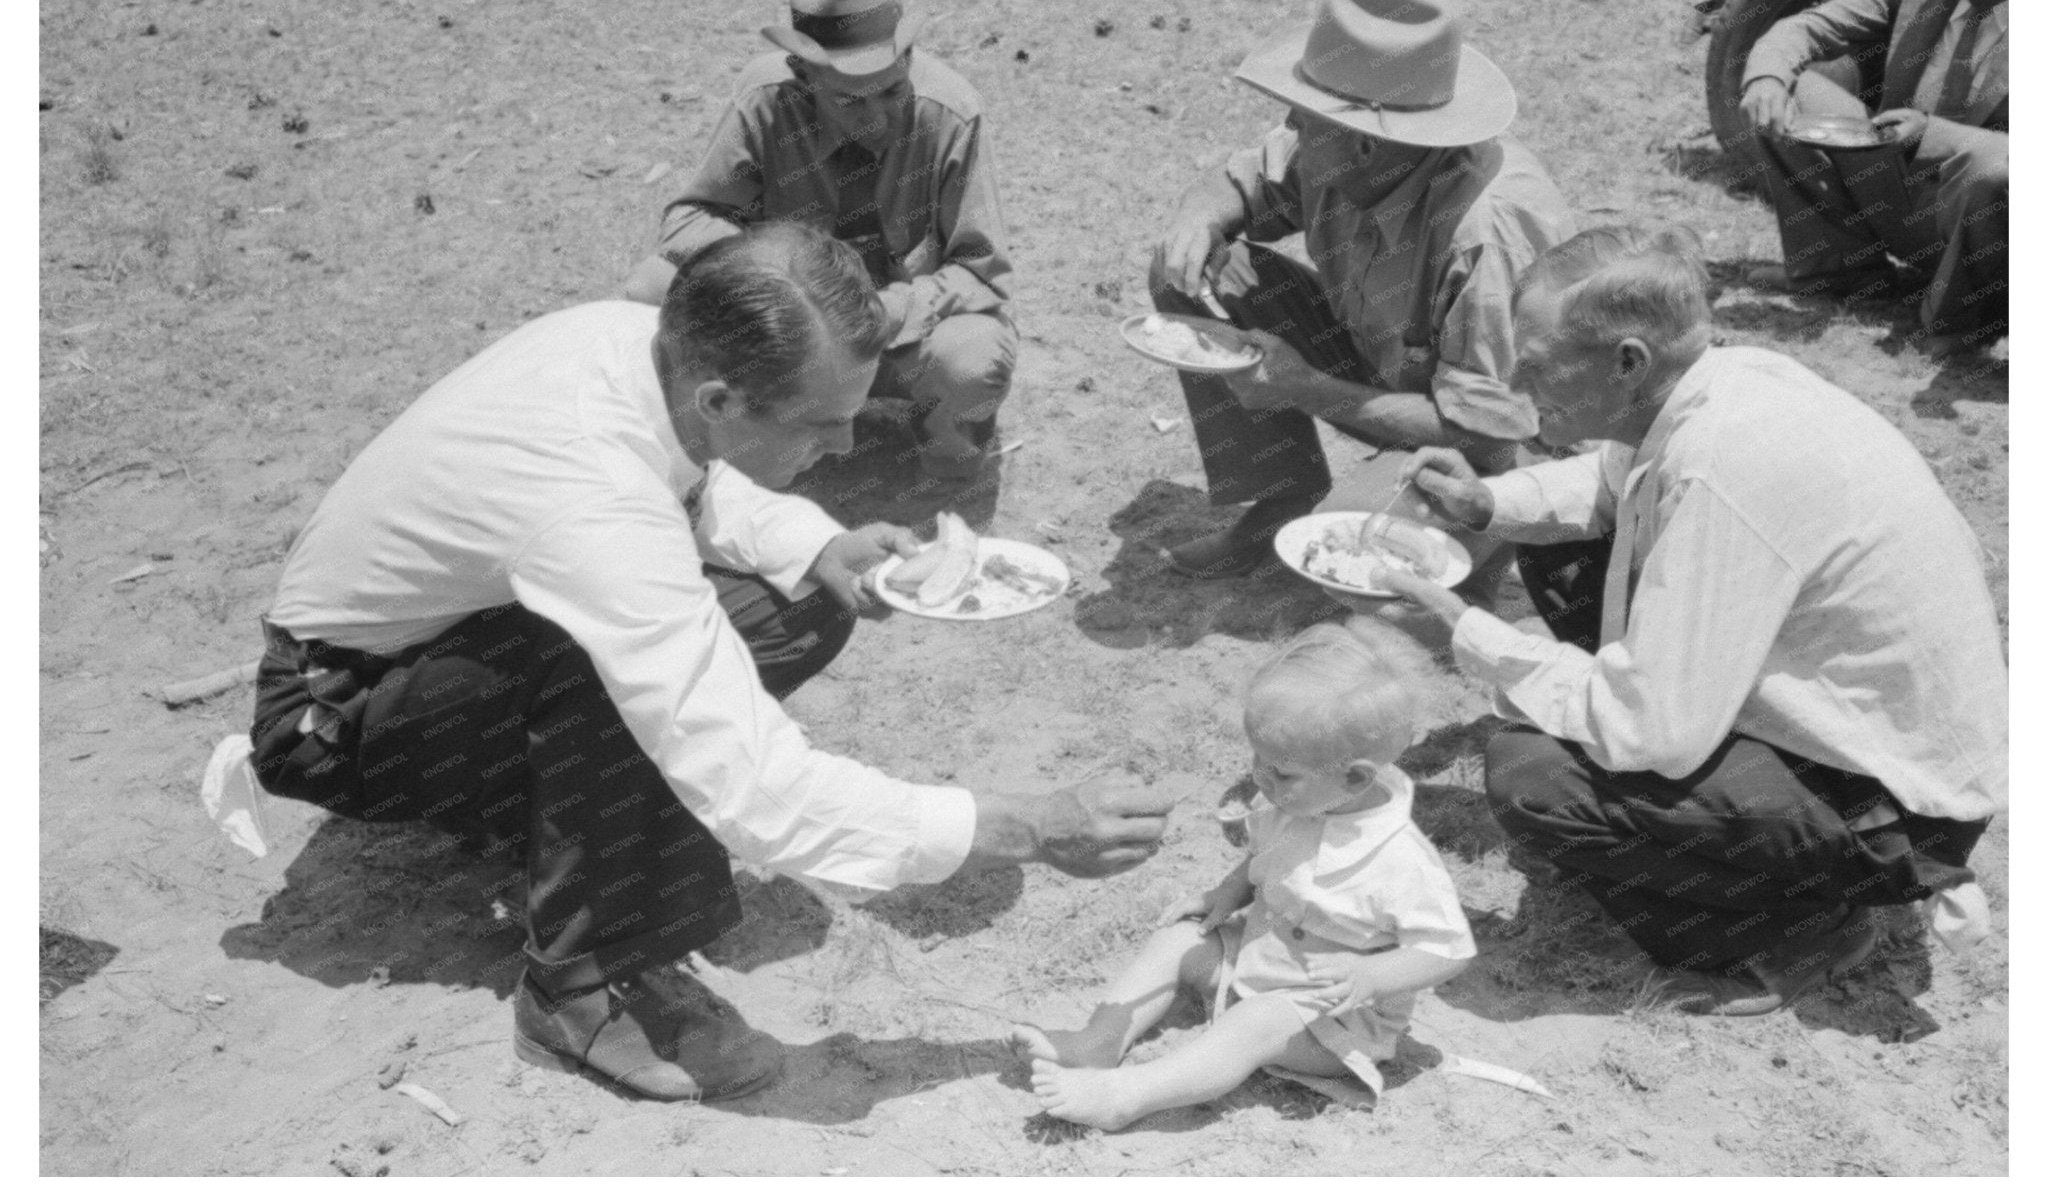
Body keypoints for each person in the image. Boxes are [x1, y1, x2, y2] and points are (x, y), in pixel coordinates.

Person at [248, 223, 1173, 1101]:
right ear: (723, 399)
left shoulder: (642, 345)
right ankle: (578, 986)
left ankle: (542, 817)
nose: (848, 446)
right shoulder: (589, 498)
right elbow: (757, 790)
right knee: (613, 663)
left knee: (792, 600)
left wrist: (815, 543)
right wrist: (1022, 826)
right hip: (333, 718)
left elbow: (692, 471)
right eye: (822, 423)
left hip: (441, 656)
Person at [1371, 225, 2007, 1016]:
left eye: (1535, 361)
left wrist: (1464, 629)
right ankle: (1757, 860)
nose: (1515, 377)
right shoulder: (1718, 385)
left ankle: (1796, 931)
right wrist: (1489, 504)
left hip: (1894, 809)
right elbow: (1612, 487)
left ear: (1628, 361)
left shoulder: (1726, 464)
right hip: (1855, 744)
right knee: (1559, 553)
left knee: (1535, 777)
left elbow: (1652, 731)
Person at [1147, 0, 1576, 580]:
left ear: (1366, 143)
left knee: (1351, 560)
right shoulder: (1352, 156)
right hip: (1393, 374)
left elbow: (1489, 436)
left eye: (1307, 117)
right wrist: (1196, 218)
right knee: (1191, 274)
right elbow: (1239, 183)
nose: (1290, 125)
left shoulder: (1489, 231)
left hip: (1491, 451)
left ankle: (1483, 559)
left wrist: (1305, 387)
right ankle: (1278, 500)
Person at [1011, 622, 1474, 1130]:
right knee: (1180, 940)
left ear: (1356, 776)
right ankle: (1096, 1042)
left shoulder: (1400, 859)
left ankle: (1126, 1097)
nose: (1260, 776)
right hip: (1262, 957)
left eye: (1281, 770)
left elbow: (1448, 950)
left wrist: (1369, 976)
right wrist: (1226, 893)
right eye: (1258, 758)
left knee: (1254, 1022)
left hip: (1330, 1019)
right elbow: (1266, 857)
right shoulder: (1295, 797)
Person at [623, 0, 1016, 482]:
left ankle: (943, 457)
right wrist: (785, 278)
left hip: (898, 326)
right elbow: (689, 220)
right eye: (851, 101)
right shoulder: (765, 97)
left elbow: (980, 268)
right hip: (791, 329)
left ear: (908, 58)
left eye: (893, 92)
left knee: (970, 358)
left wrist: (888, 307)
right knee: (651, 288)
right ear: (805, 75)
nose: (878, 117)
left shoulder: (952, 111)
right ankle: (703, 452)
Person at [1741, 0, 2008, 358]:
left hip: (1994, 237)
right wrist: (1765, 80)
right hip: (1910, 203)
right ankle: (1840, 272)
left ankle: (1959, 327)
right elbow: (1804, 28)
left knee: (1993, 168)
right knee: (1794, 89)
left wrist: (1933, 133)